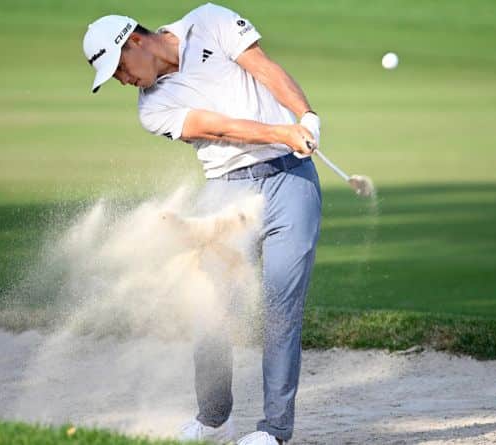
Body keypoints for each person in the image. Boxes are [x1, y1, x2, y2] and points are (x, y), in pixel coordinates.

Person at [82, 4, 321, 444]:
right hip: (227, 194)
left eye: (118, 70)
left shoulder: (208, 20)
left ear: (135, 42)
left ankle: (274, 431)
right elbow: (221, 128)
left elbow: (264, 69)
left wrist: (305, 117)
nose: (123, 81)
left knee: (281, 308)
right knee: (209, 306)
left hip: (292, 183)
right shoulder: (152, 109)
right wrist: (282, 132)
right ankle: (215, 418)